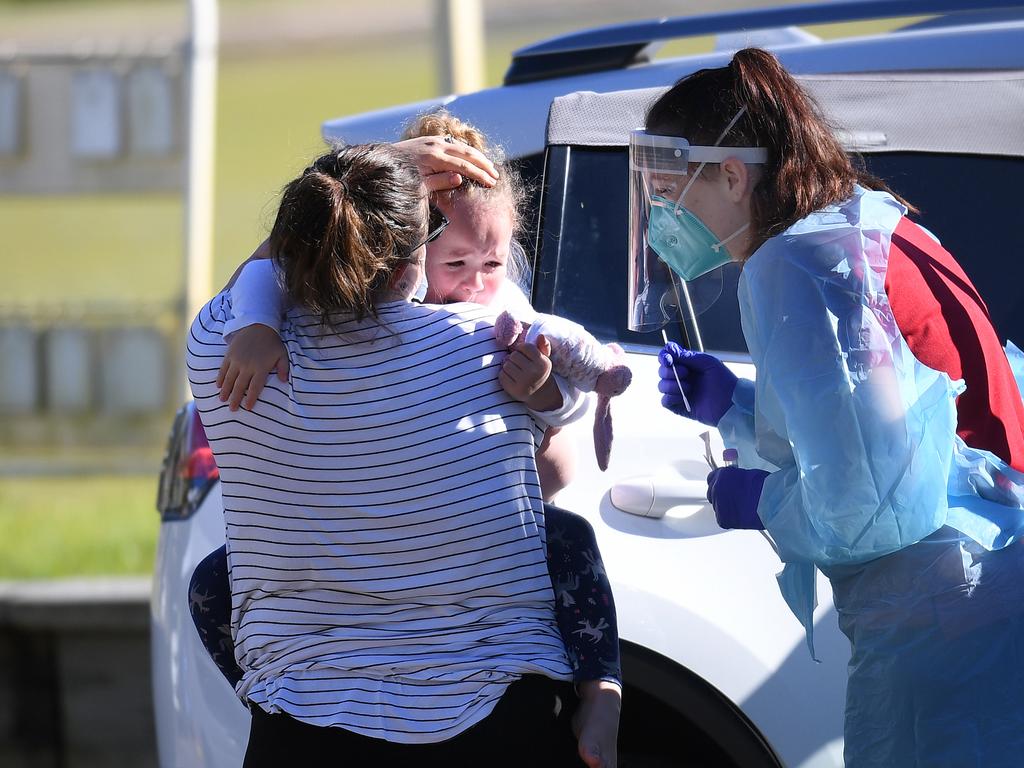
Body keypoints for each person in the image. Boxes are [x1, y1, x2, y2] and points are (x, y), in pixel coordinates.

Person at [191, 113, 623, 768]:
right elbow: (558, 457)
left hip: (300, 725)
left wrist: (368, 168)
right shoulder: (492, 347)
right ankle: (605, 693)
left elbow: (258, 272)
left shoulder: (226, 352)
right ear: (413, 259)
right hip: (494, 719)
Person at [631, 48, 1024, 766]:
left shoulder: (797, 265)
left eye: (668, 190)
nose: (661, 216)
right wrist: (738, 407)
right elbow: (890, 429)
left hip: (939, 614)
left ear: (729, 174)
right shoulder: (862, 227)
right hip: (983, 589)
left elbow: (869, 507)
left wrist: (759, 499)